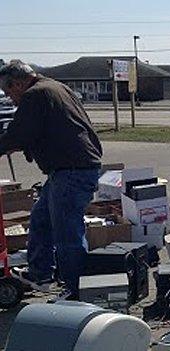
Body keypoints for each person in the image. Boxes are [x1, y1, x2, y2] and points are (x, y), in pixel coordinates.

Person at [0, 60, 103, 300]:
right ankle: (40, 274)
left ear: (17, 84)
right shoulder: (55, 87)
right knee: (41, 220)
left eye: (8, 93)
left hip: (72, 170)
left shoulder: (34, 95)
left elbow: (19, 133)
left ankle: (75, 290)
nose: (10, 99)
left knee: (67, 233)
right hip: (70, 168)